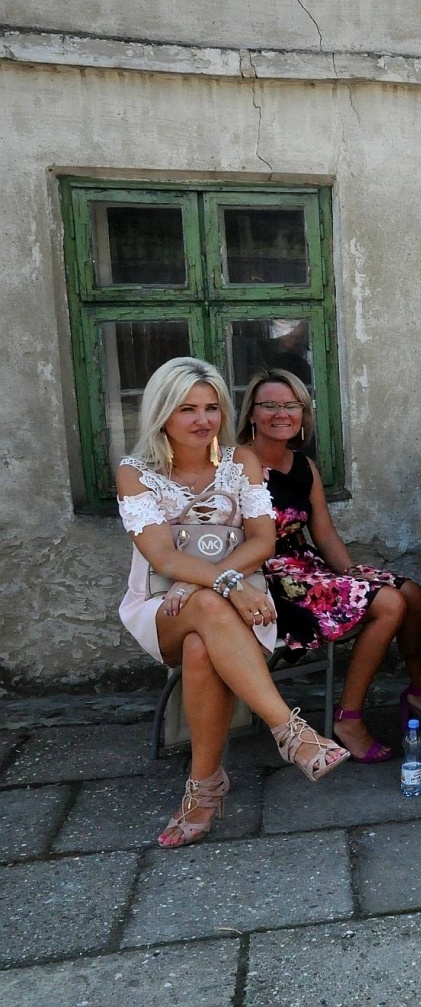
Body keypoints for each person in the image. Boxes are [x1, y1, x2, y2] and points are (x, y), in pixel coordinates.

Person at [115, 357, 349, 849]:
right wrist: (229, 585)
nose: (202, 420)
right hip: (161, 602)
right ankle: (291, 732)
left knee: (204, 645)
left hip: (235, 600)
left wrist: (224, 585)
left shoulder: (240, 461)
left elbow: (262, 539)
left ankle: (205, 789)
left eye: (211, 408)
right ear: (161, 413)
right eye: (186, 409)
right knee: (204, 608)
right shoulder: (136, 472)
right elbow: (160, 556)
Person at [238, 369, 421, 762]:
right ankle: (348, 717)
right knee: (390, 604)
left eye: (290, 405)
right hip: (268, 576)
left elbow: (323, 532)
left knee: (411, 592)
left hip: (306, 566)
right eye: (270, 405)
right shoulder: (240, 460)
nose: (281, 413)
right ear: (252, 415)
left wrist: (349, 572)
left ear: (303, 413)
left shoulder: (303, 466)